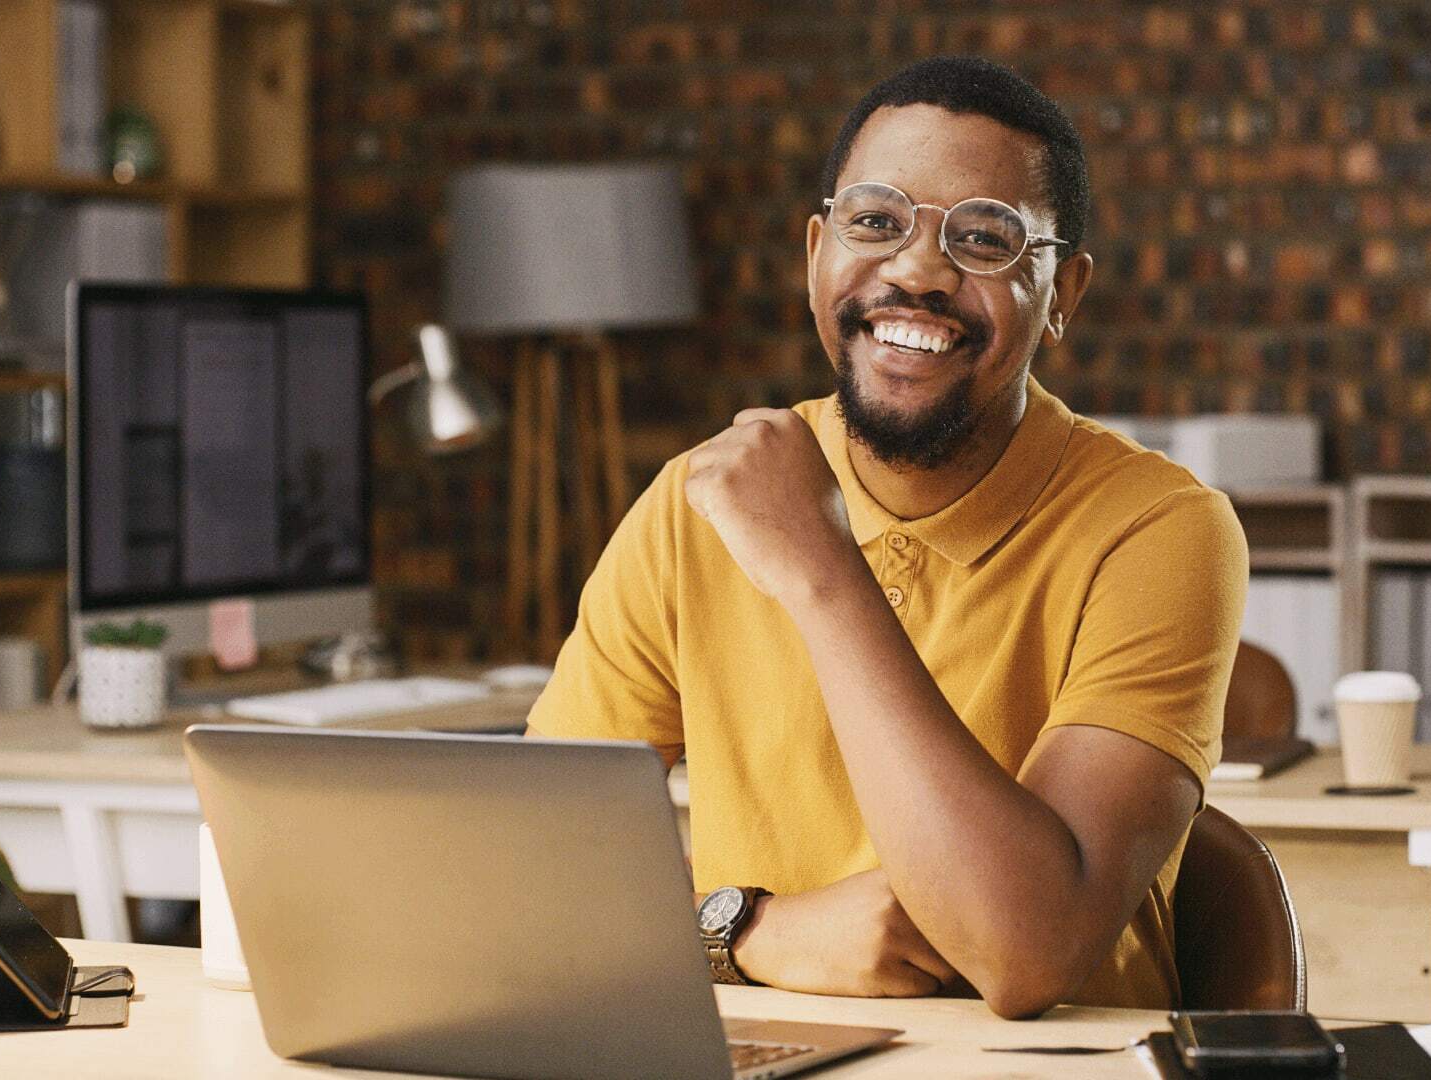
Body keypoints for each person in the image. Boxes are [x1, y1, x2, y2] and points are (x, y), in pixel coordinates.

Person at [526, 56, 1245, 1019]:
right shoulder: (694, 503)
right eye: (875, 223)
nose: (914, 269)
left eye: (984, 238)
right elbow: (532, 873)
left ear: (1064, 291)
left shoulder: (1161, 530)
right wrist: (751, 932)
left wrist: (819, 567)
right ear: (815, 252)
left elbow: (1027, 956)